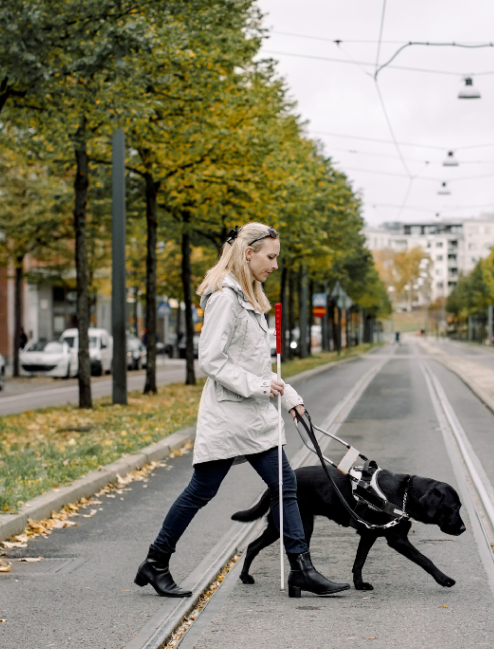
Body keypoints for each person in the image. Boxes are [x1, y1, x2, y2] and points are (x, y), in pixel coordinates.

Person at [135, 222, 348, 599]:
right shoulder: (225, 299)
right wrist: (262, 387)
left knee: (286, 487)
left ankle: (302, 568)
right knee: (200, 492)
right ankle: (155, 562)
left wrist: (289, 396)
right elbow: (212, 361)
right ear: (248, 253)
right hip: (231, 418)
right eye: (270, 256)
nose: (275, 265)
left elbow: (254, 364)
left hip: (255, 419)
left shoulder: (249, 300)